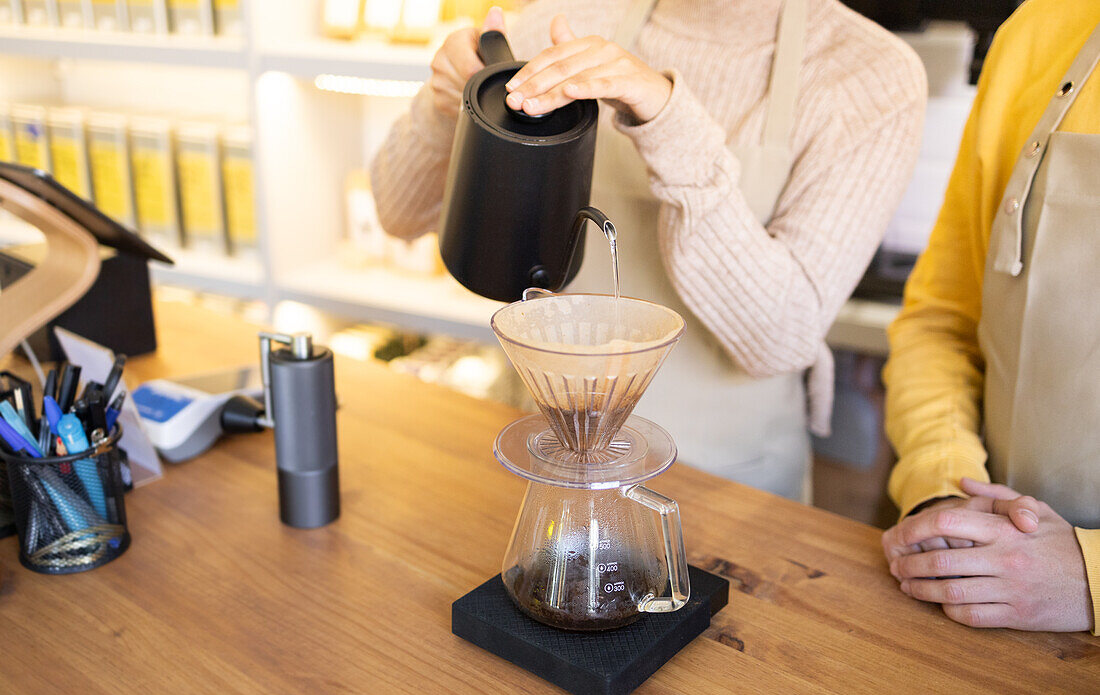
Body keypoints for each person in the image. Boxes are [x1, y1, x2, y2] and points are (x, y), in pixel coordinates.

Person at [371, 0, 926, 499]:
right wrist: (445, 109)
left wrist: (669, 122)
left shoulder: (871, 76)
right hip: (548, 458)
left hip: (726, 488)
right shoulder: (561, 22)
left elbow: (780, 340)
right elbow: (399, 212)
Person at [881, 0, 1099, 634]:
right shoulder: (1038, 30)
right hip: (984, 605)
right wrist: (947, 494)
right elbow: (941, 321)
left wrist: (1089, 575)